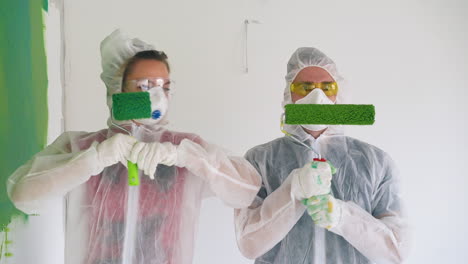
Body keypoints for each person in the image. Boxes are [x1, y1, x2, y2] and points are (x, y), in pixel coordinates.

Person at [6, 29, 261, 264]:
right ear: (117, 89)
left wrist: (186, 156)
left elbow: (246, 191)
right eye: (144, 86)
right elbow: (23, 194)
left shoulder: (185, 148)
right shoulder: (81, 146)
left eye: (165, 87)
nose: (158, 97)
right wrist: (95, 158)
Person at [234, 47, 410, 264]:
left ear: (339, 94)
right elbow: (249, 244)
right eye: (304, 87)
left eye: (327, 88)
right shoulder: (258, 161)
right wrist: (293, 191)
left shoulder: (376, 163)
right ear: (289, 95)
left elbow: (396, 252)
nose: (317, 97)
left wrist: (342, 217)